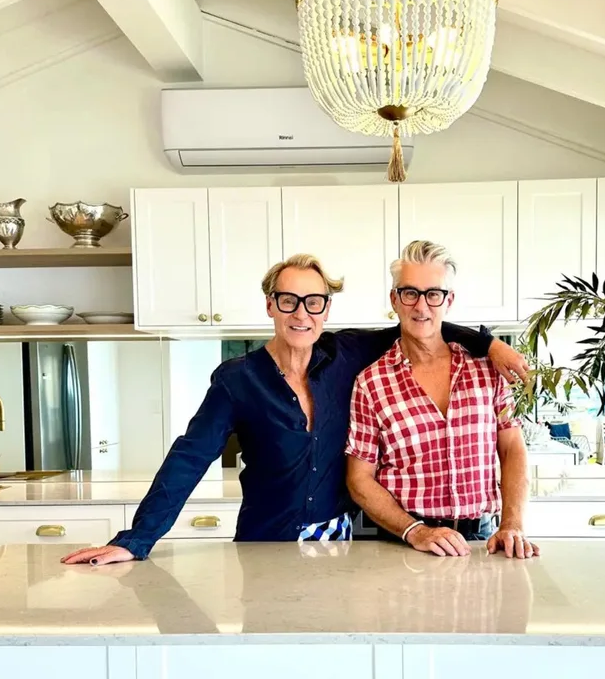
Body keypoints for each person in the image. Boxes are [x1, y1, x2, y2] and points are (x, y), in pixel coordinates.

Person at [62, 253, 529, 566]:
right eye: (289, 301)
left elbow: (423, 320)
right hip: (265, 541)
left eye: (314, 302)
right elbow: (187, 460)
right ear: (270, 305)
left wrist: (489, 344)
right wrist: (136, 540)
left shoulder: (346, 356)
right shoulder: (236, 380)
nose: (301, 313)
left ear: (327, 309)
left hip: (340, 541)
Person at [346, 241, 539, 559]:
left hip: (483, 541)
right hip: (404, 542)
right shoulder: (371, 383)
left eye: (433, 294)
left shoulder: (488, 370)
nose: (421, 307)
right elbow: (358, 479)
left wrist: (512, 523)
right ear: (395, 299)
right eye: (410, 293)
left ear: (449, 301)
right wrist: (416, 531)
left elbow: (512, 448)